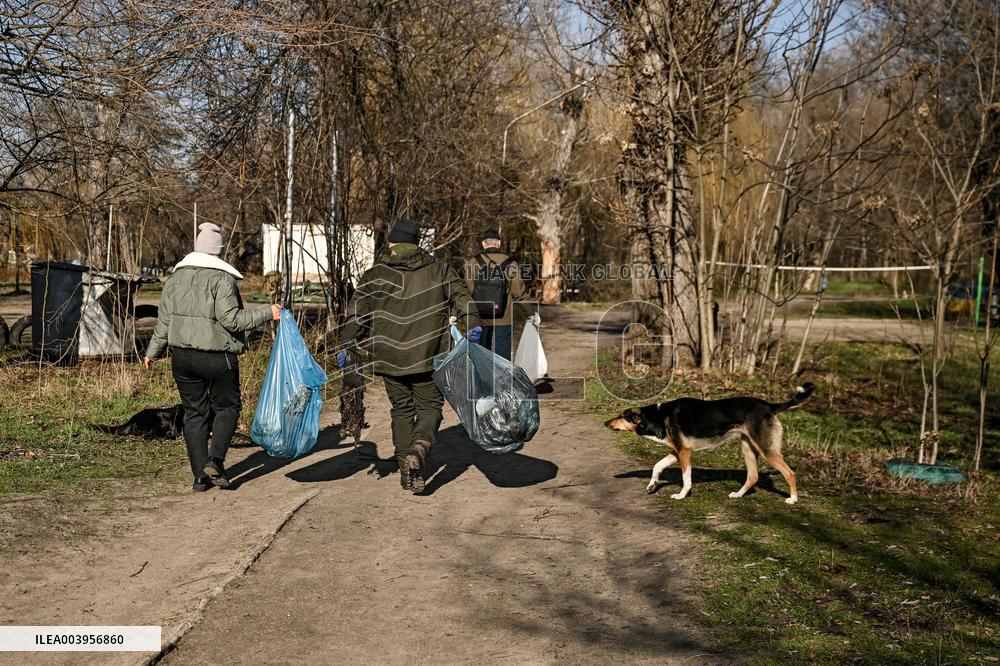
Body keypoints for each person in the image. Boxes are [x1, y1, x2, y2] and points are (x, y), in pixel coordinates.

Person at [338, 218, 481, 493]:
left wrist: (347, 343)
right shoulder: (439, 270)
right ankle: (418, 449)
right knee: (429, 407)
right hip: (428, 355)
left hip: (389, 357)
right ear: (416, 243)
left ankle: (406, 463)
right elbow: (461, 296)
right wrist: (472, 322)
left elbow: (357, 312)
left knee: (401, 409)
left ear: (391, 243)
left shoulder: (375, 273)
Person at [144, 223, 280, 491]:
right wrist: (269, 312)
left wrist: (152, 352)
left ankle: (199, 478)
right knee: (228, 408)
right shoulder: (222, 280)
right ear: (218, 251)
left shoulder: (175, 280)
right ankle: (215, 461)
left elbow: (164, 322)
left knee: (195, 414)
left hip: (182, 358)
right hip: (218, 358)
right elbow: (232, 320)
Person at [464, 229, 526, 361]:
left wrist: (459, 314)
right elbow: (518, 293)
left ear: (483, 244)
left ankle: (482, 380)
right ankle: (501, 380)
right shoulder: (511, 264)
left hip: (479, 315)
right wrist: (530, 312)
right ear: (498, 244)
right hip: (503, 315)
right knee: (502, 354)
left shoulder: (472, 263)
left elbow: (466, 291)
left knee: (480, 352)